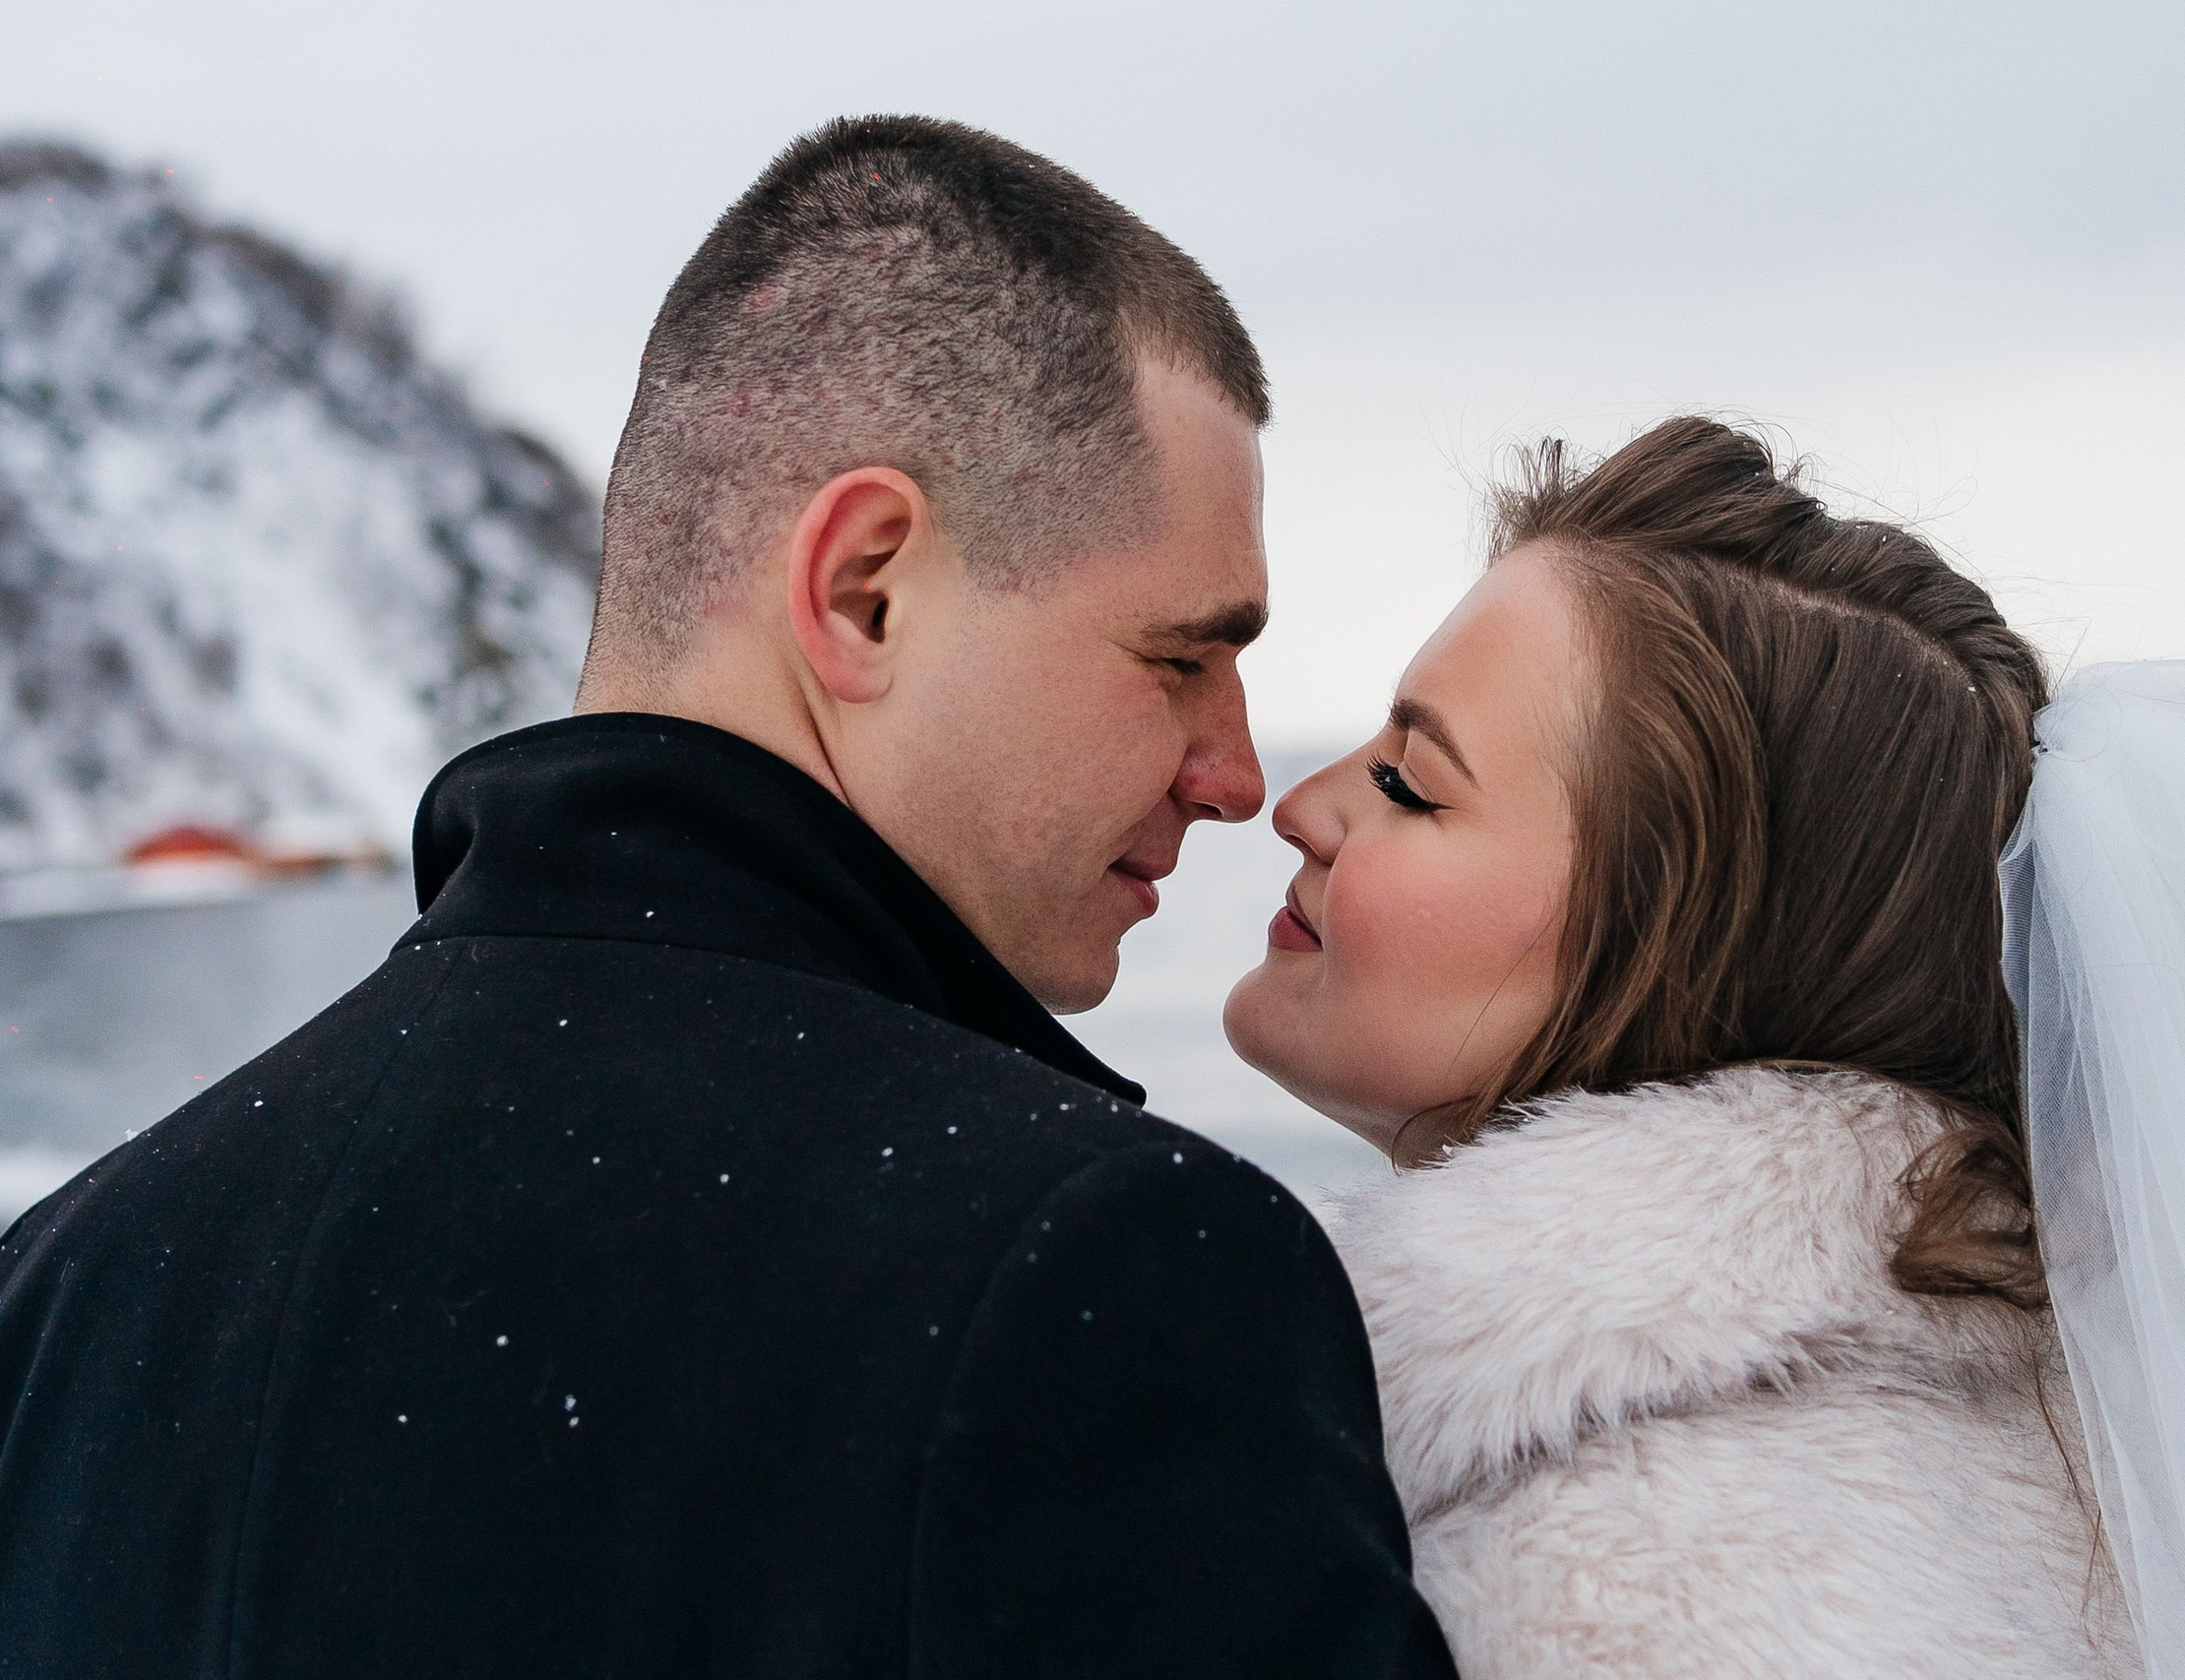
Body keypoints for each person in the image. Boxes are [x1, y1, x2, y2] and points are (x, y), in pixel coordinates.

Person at [0, 118, 1455, 1679]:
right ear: (864, 588)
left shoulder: (68, 1290)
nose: (1236, 776)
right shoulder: (1094, 1277)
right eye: (1179, 657)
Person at [1226, 414, 2185, 1678]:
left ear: (1688, 943)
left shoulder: (1669, 1581)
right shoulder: (1918, 1453)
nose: (1301, 805)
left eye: (1411, 782)